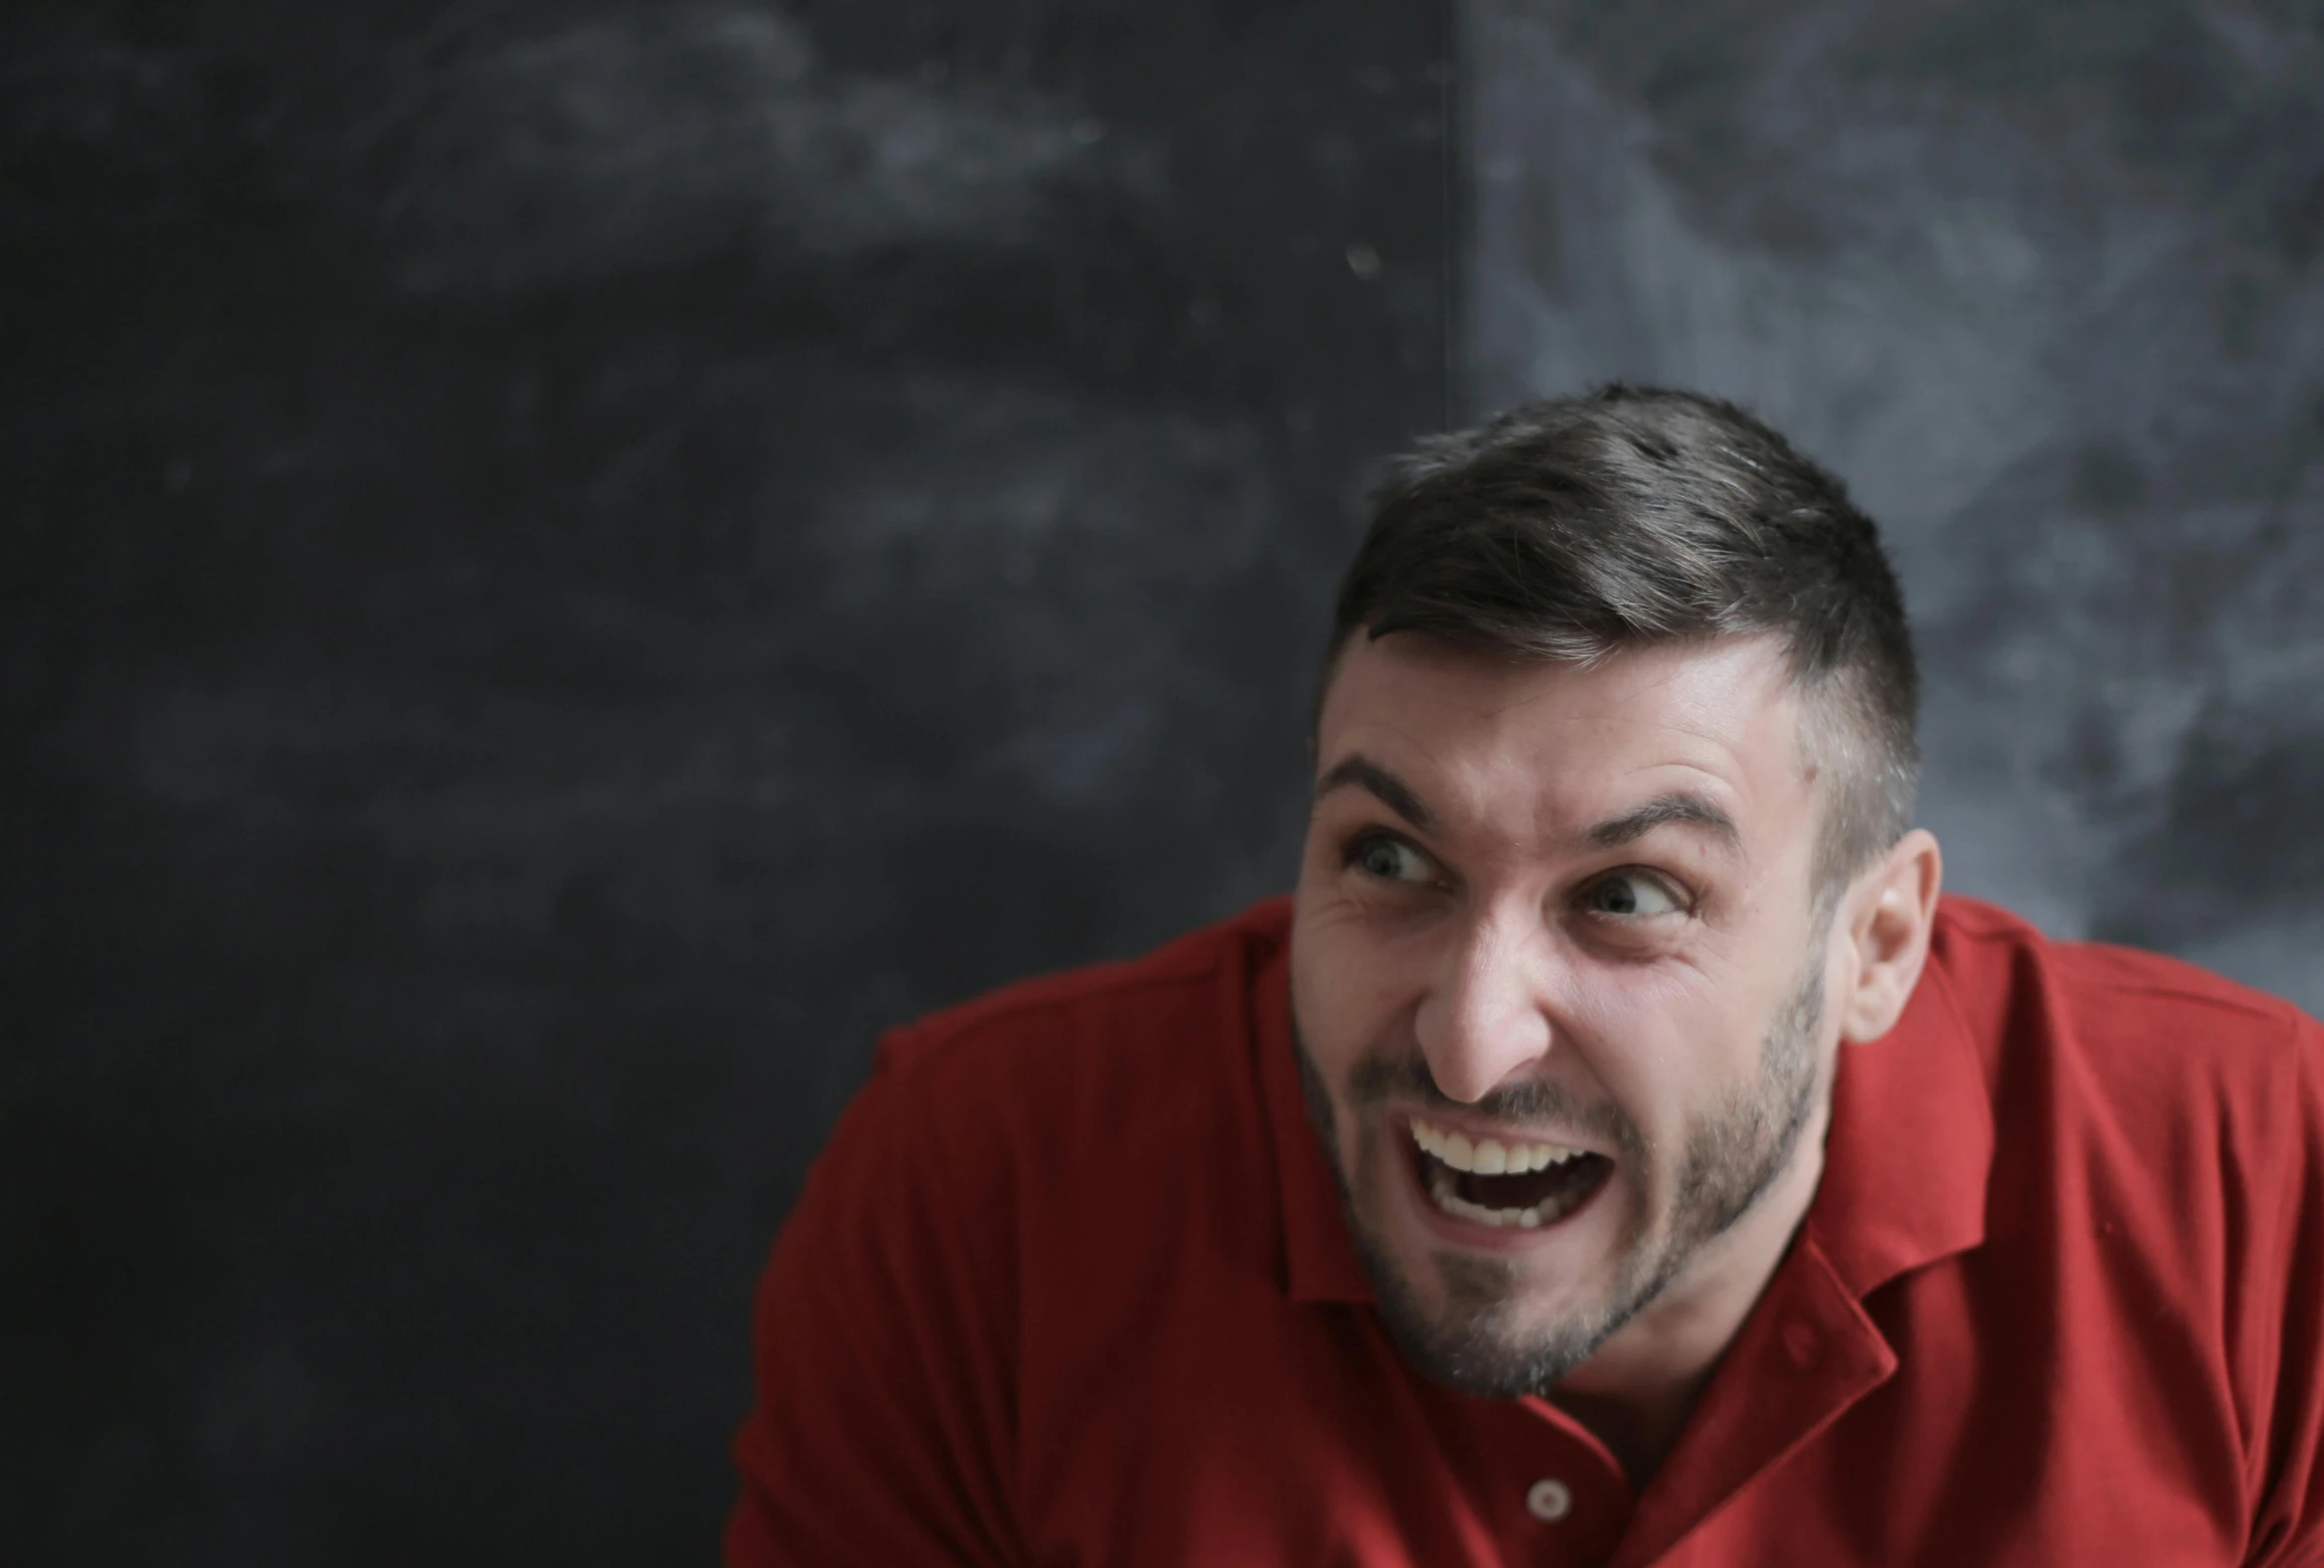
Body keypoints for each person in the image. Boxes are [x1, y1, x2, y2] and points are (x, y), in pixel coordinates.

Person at [724, 387, 2324, 1566]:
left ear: (1876, 946)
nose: (1472, 1042)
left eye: (1629, 895)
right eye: (1389, 861)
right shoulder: (981, 1175)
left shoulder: (2262, 1177)